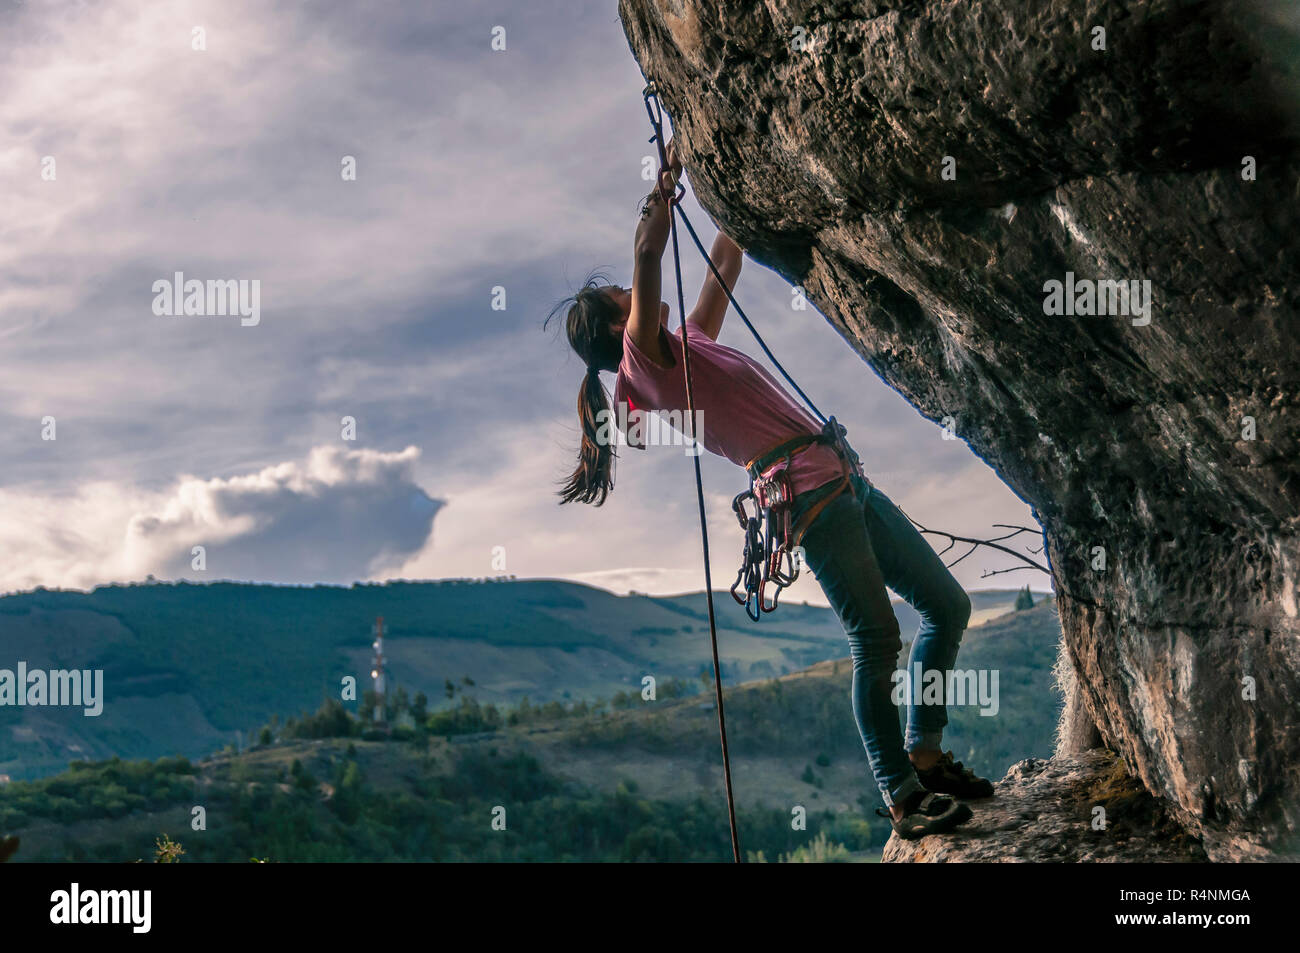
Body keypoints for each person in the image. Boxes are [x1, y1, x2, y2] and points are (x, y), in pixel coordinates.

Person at [546, 140, 991, 839]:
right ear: (615, 325)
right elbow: (644, 256)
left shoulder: (689, 347)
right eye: (623, 301)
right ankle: (903, 793)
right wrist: (663, 182)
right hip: (808, 496)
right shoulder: (646, 363)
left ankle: (926, 754)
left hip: (844, 478)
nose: (636, 297)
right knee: (877, 636)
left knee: (947, 604)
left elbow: (725, 261)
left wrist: (725, 167)